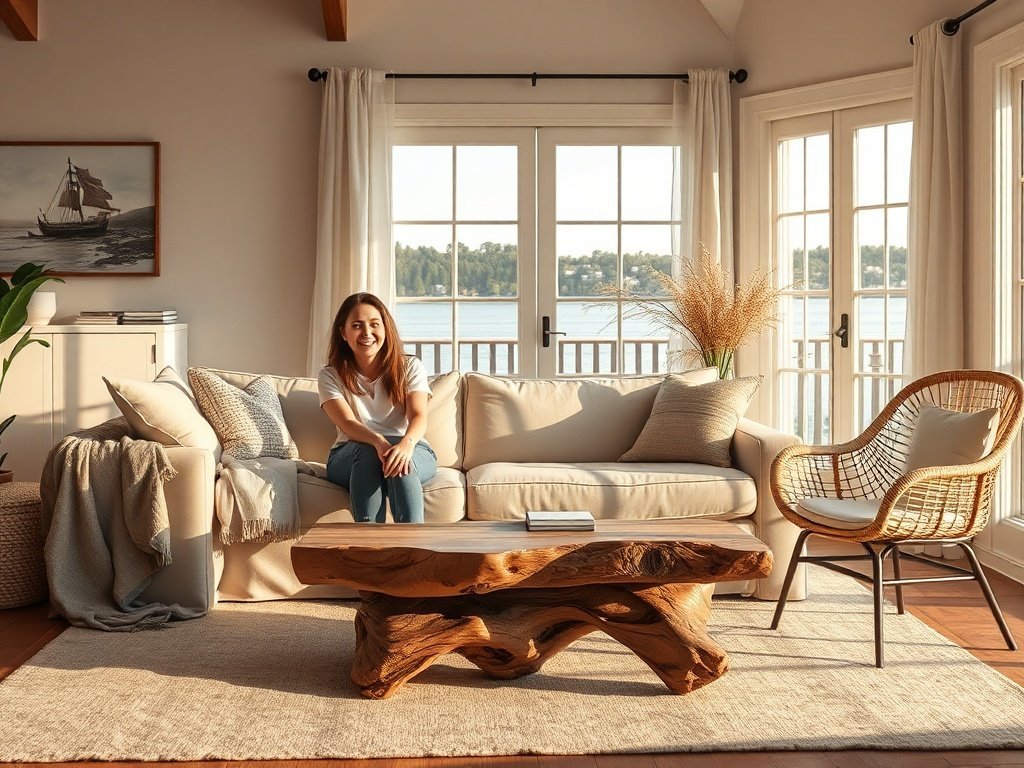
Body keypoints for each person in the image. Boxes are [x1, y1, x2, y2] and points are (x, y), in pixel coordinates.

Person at [317, 292, 437, 523]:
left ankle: (413, 550)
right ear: (343, 332)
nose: (367, 333)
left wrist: (406, 445)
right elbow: (347, 423)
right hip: (349, 454)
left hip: (411, 447)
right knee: (369, 452)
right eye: (357, 326)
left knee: (402, 462)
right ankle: (371, 549)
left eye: (374, 324)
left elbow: (418, 415)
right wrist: (378, 442)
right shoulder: (330, 375)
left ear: (386, 329)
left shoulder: (410, 366)